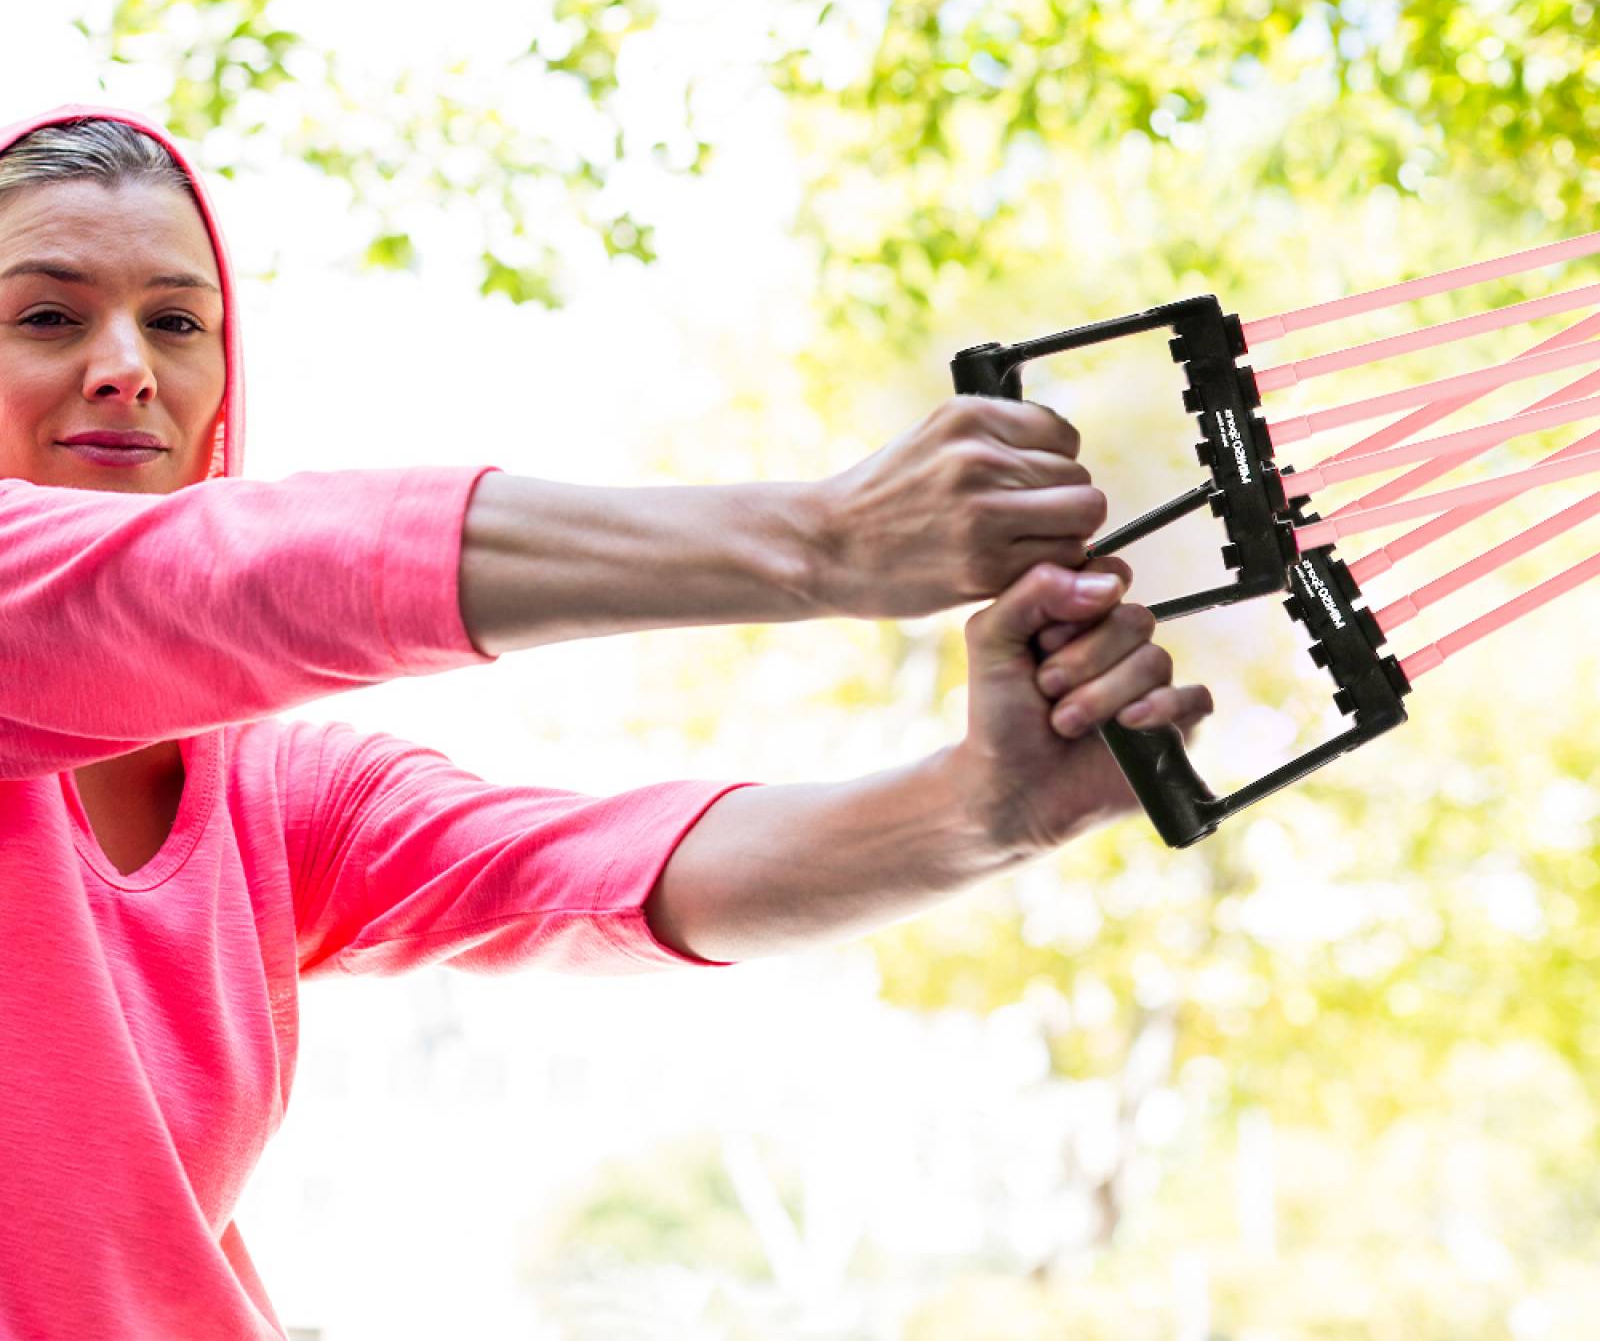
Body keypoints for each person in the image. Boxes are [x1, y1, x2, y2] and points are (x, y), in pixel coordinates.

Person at [0, 104, 1211, 1339]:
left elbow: (581, 873)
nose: (126, 365)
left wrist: (977, 810)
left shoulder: (268, 791)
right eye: (48, 315)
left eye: (176, 321)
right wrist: (819, 543)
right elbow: (212, 579)